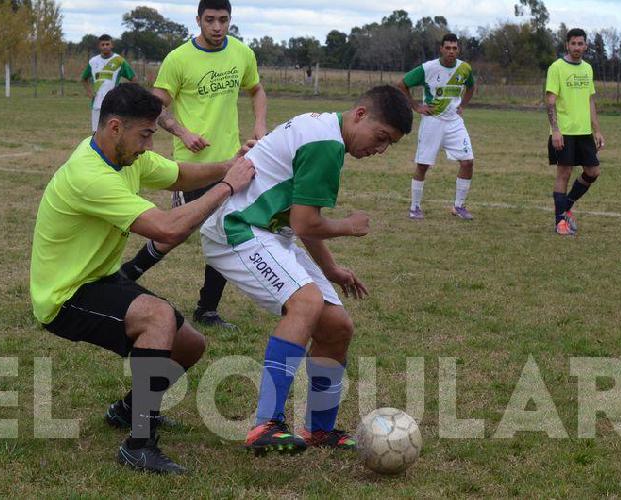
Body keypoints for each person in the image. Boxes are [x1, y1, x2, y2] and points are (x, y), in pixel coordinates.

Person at [29, 82, 256, 474]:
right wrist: (227, 186)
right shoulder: (90, 175)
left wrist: (229, 165)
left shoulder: (125, 157)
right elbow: (168, 229)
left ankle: (127, 410)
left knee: (190, 345)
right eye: (146, 135)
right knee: (157, 318)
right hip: (64, 296)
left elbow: (181, 174)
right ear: (115, 127)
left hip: (100, 279)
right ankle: (139, 444)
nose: (149, 145)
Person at [199, 85, 413, 455]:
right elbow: (305, 224)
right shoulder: (326, 144)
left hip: (270, 231)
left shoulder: (326, 131)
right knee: (306, 303)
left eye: (388, 145)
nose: (379, 150)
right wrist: (349, 225)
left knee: (337, 327)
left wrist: (330, 269)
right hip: (239, 227)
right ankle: (265, 423)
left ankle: (318, 429)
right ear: (360, 114)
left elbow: (302, 219)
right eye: (380, 138)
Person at [116, 0, 267, 330]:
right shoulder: (179, 59)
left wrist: (260, 124)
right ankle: (128, 273)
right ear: (198, 19)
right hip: (191, 167)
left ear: (230, 20)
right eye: (210, 19)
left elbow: (256, 90)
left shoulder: (242, 53)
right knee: (177, 231)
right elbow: (154, 106)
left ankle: (207, 308)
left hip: (230, 162)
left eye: (223, 20)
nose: (217, 26)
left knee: (225, 231)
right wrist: (183, 132)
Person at [396, 33, 477, 221]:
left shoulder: (464, 68)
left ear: (459, 50)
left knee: (468, 161)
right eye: (447, 48)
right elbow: (402, 84)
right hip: (433, 121)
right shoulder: (428, 68)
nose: (451, 51)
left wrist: (462, 105)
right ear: (441, 49)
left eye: (454, 48)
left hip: (454, 122)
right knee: (423, 165)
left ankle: (459, 206)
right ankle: (415, 207)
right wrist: (416, 106)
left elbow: (471, 87)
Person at [545, 28, 605, 236]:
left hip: (584, 132)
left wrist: (597, 130)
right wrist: (556, 130)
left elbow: (589, 101)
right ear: (567, 45)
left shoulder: (587, 69)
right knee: (564, 173)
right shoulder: (557, 68)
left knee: (593, 171)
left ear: (585, 46)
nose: (577, 47)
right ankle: (560, 221)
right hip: (564, 132)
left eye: (581, 44)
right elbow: (550, 101)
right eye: (573, 44)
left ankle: (567, 206)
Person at [81, 34, 136, 132]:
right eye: (103, 44)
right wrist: (89, 92)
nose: (105, 46)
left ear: (112, 45)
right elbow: (84, 78)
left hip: (114, 103)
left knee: (113, 132)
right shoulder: (93, 62)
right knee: (96, 132)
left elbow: (133, 78)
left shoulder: (119, 60)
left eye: (107, 44)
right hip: (97, 103)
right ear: (99, 46)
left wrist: (127, 94)